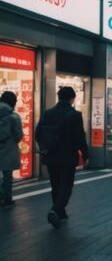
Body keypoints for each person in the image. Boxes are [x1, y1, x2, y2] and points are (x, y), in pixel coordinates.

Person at [35, 87, 89, 228]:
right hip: (68, 156)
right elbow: (80, 138)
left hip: (51, 155)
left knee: (55, 185)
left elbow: (38, 133)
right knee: (66, 185)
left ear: (58, 97)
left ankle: (61, 213)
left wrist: (44, 148)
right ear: (72, 98)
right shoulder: (75, 115)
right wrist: (86, 154)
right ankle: (55, 210)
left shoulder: (48, 113)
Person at [0, 91, 23, 208]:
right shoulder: (14, 117)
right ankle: (6, 199)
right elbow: (19, 136)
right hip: (8, 149)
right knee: (7, 175)